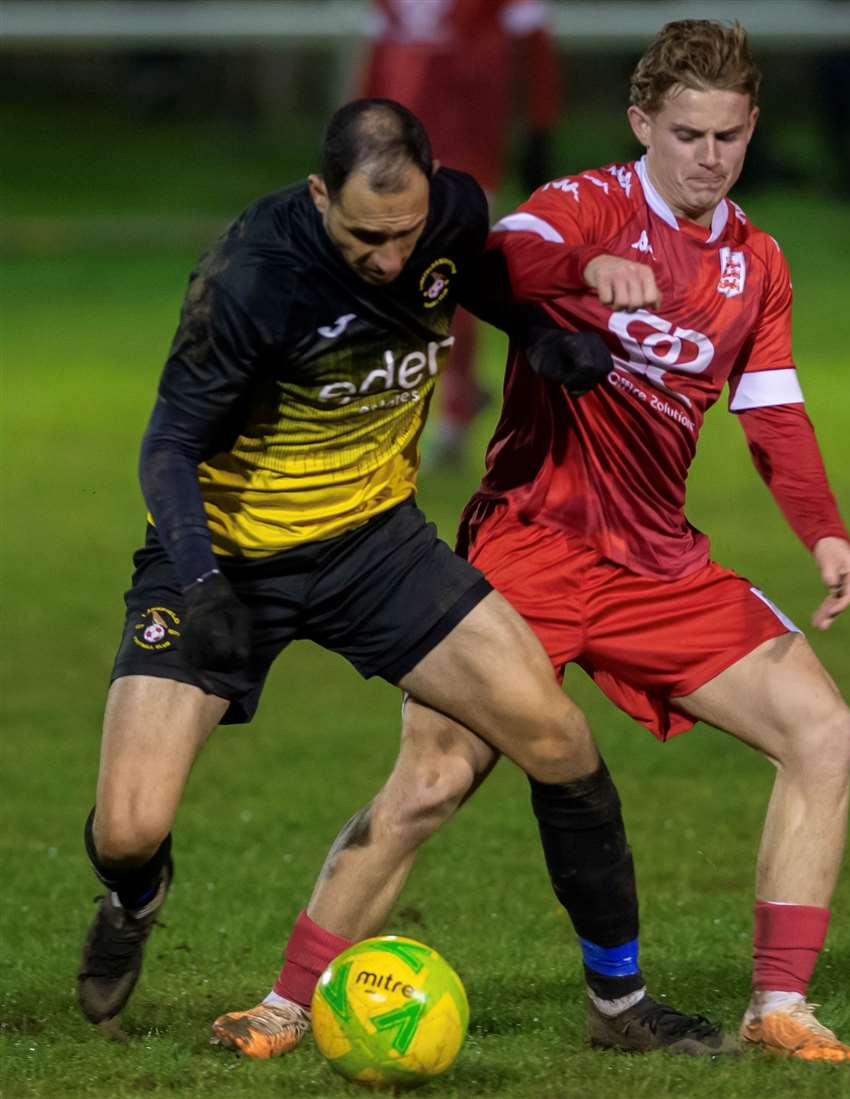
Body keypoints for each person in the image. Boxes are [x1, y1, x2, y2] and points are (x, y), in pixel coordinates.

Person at [217, 20, 850, 1064]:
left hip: (658, 564)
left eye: (730, 137)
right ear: (642, 123)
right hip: (529, 547)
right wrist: (588, 268)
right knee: (431, 780)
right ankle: (287, 1004)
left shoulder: (759, 264)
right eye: (689, 133)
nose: (710, 158)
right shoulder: (588, 205)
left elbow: (775, 409)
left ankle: (780, 1003)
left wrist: (825, 532)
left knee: (822, 729)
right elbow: (506, 254)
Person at [76, 98, 731, 1058]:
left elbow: (489, 281)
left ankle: (619, 1005)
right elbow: (168, 443)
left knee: (557, 738)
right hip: (224, 558)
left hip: (374, 546)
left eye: (403, 233)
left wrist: (545, 340)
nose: (388, 258)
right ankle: (135, 897)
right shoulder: (253, 276)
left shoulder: (449, 214)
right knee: (130, 826)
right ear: (317, 194)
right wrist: (204, 581)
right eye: (363, 235)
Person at [357, 0, 562, 463]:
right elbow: (380, 55)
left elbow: (535, 48)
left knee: (446, 270)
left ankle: (451, 413)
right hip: (396, 142)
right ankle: (454, 395)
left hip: (468, 141)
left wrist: (539, 131)